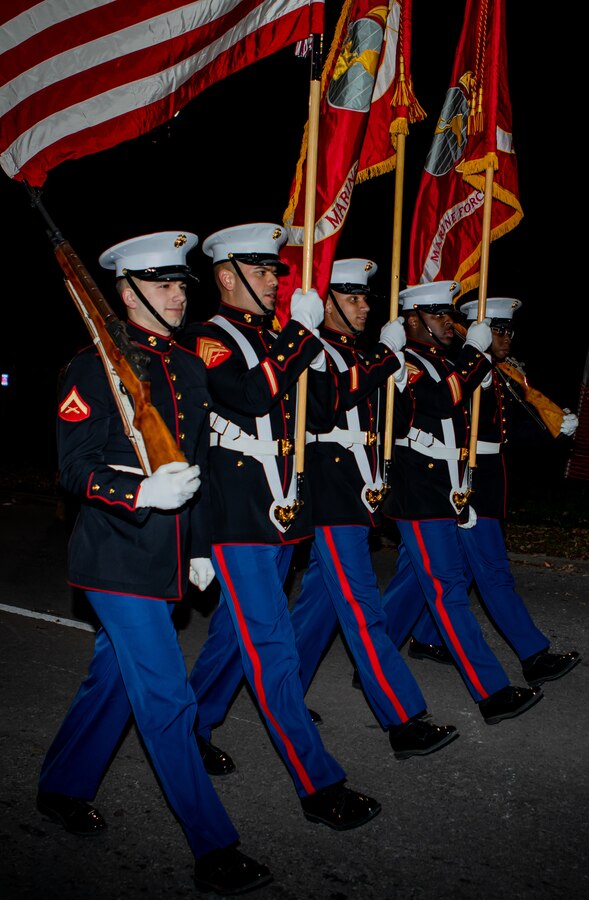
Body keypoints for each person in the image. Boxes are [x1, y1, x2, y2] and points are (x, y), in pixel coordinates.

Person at [37, 232, 271, 896]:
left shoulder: (188, 367)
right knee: (167, 697)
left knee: (114, 680)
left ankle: (61, 786)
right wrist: (138, 491)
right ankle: (213, 845)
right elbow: (74, 468)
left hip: (167, 558)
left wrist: (198, 548)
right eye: (164, 283)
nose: (178, 293)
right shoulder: (94, 367)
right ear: (127, 290)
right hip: (114, 554)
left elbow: (195, 469)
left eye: (181, 283)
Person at [179, 223, 381, 831]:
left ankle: (191, 727)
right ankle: (318, 783)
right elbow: (248, 398)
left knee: (233, 639)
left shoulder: (274, 339)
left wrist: (324, 347)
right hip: (237, 519)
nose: (277, 280)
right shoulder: (205, 338)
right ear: (226, 277)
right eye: (264, 271)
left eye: (276, 271)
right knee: (272, 647)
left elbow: (316, 410)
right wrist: (299, 333)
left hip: (282, 514)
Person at [288, 258, 458, 759]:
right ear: (329, 300)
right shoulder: (314, 349)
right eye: (354, 298)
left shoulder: (359, 354)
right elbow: (325, 405)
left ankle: (284, 693)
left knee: (322, 602)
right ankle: (402, 716)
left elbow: (389, 424)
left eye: (366, 298)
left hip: (358, 491)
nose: (365, 306)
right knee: (363, 608)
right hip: (329, 493)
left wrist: (396, 379)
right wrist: (386, 357)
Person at [386, 297, 581, 686]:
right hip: (459, 478)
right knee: (489, 572)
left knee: (426, 575)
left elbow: (505, 429)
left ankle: (401, 642)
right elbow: (452, 414)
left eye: (509, 330)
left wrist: (552, 428)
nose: (506, 337)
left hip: (482, 477)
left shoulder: (497, 370)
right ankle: (533, 655)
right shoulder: (459, 366)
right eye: (498, 329)